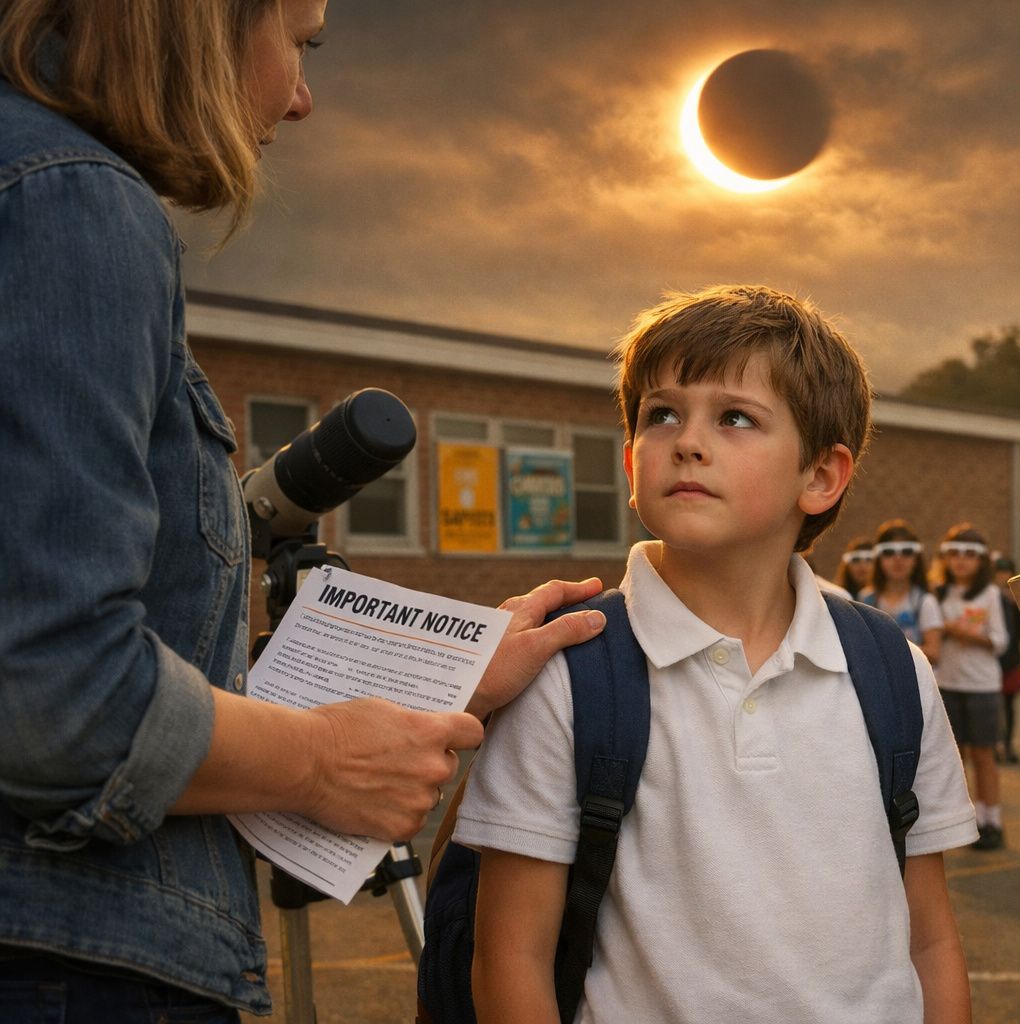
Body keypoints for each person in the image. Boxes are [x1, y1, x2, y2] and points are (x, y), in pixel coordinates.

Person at [0, 3, 604, 1017]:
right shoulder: (66, 202)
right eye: (304, 38)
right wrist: (322, 762)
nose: (302, 96)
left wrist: (439, 675)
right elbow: (52, 692)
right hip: (59, 964)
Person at [456, 285, 976, 1024]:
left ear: (822, 477)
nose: (687, 440)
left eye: (735, 417)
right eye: (661, 413)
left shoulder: (890, 669)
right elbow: (511, 957)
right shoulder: (574, 669)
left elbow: (930, 941)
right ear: (633, 464)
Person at [933, 525, 1010, 850]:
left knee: (984, 755)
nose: (961, 561)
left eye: (969, 554)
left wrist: (969, 634)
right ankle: (963, 823)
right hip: (947, 684)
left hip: (981, 686)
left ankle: (991, 821)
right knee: (956, 757)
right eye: (954, 553)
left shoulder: (990, 594)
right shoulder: (936, 594)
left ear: (981, 561)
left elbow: (1001, 641)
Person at [864, 519, 945, 665]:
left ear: (916, 559)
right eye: (888, 552)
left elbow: (934, 653)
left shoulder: (925, 601)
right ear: (878, 559)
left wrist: (890, 648)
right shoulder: (866, 600)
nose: (898, 558)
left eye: (907, 552)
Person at [992, 556, 1020, 765]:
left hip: (1011, 659)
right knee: (993, 707)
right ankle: (996, 745)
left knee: (1007, 705)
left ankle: (1007, 744)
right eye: (999, 572)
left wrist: (1016, 605)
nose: (1002, 576)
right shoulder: (989, 597)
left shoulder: (1015, 598)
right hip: (992, 660)